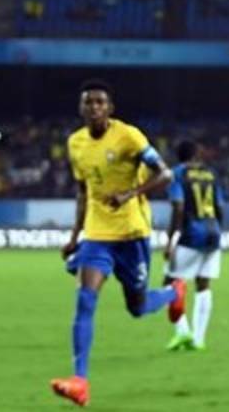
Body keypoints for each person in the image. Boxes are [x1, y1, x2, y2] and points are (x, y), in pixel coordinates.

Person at [51, 79, 185, 407]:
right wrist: (74, 237)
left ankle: (174, 292)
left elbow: (165, 174)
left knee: (137, 307)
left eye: (100, 102)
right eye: (88, 102)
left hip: (132, 234)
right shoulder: (76, 143)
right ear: (81, 108)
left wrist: (130, 194)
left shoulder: (129, 136)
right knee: (85, 300)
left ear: (110, 108)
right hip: (98, 235)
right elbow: (83, 192)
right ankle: (80, 381)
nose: (94, 107)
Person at [163, 139, 225, 352]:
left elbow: (178, 207)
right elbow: (219, 207)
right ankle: (199, 340)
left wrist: (171, 240)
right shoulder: (210, 174)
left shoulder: (177, 174)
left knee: (170, 282)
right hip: (213, 233)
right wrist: (218, 230)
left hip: (191, 234)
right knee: (203, 284)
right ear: (196, 154)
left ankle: (183, 332)